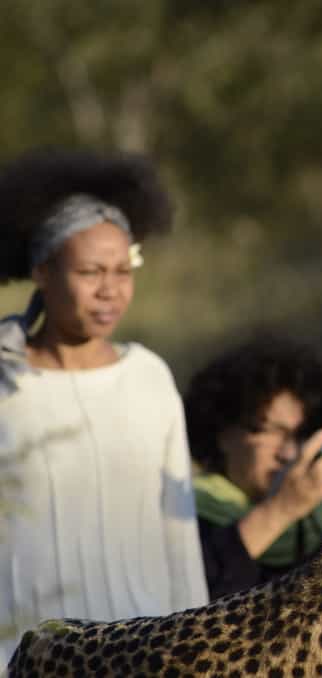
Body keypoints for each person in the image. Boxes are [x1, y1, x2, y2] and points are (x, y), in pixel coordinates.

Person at [0, 148, 208, 663]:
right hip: (25, 656)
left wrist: (194, 649)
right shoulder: (5, 379)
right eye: (91, 271)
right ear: (43, 272)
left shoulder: (149, 377)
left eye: (123, 270)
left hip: (141, 655)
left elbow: (178, 533)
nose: (110, 291)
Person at [183, 334, 322, 599]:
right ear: (222, 433)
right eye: (272, 432)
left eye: (304, 436)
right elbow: (192, 599)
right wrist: (281, 509)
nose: (289, 451)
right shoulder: (183, 515)